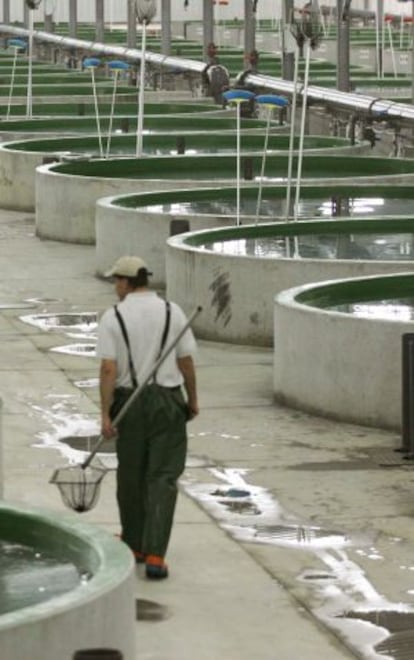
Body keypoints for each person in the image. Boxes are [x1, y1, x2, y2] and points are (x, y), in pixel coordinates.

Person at [96, 255, 199, 579]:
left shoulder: (113, 317)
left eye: (117, 281)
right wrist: (193, 399)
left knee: (131, 474)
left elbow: (109, 369)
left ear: (127, 283)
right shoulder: (173, 312)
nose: (115, 287)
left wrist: (104, 413)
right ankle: (154, 553)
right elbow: (185, 362)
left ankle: (135, 542)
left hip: (130, 402)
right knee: (162, 478)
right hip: (168, 400)